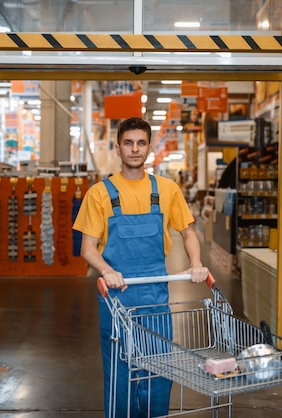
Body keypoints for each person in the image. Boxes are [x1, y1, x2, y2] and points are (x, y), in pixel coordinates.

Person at [72, 117, 209, 418]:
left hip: (155, 298)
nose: (135, 149)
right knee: (119, 373)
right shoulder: (99, 194)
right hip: (116, 299)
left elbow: (188, 233)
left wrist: (196, 263)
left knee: (159, 368)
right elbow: (87, 249)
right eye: (128, 143)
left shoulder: (167, 189)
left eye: (141, 143)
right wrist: (107, 270)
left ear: (149, 147)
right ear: (118, 147)